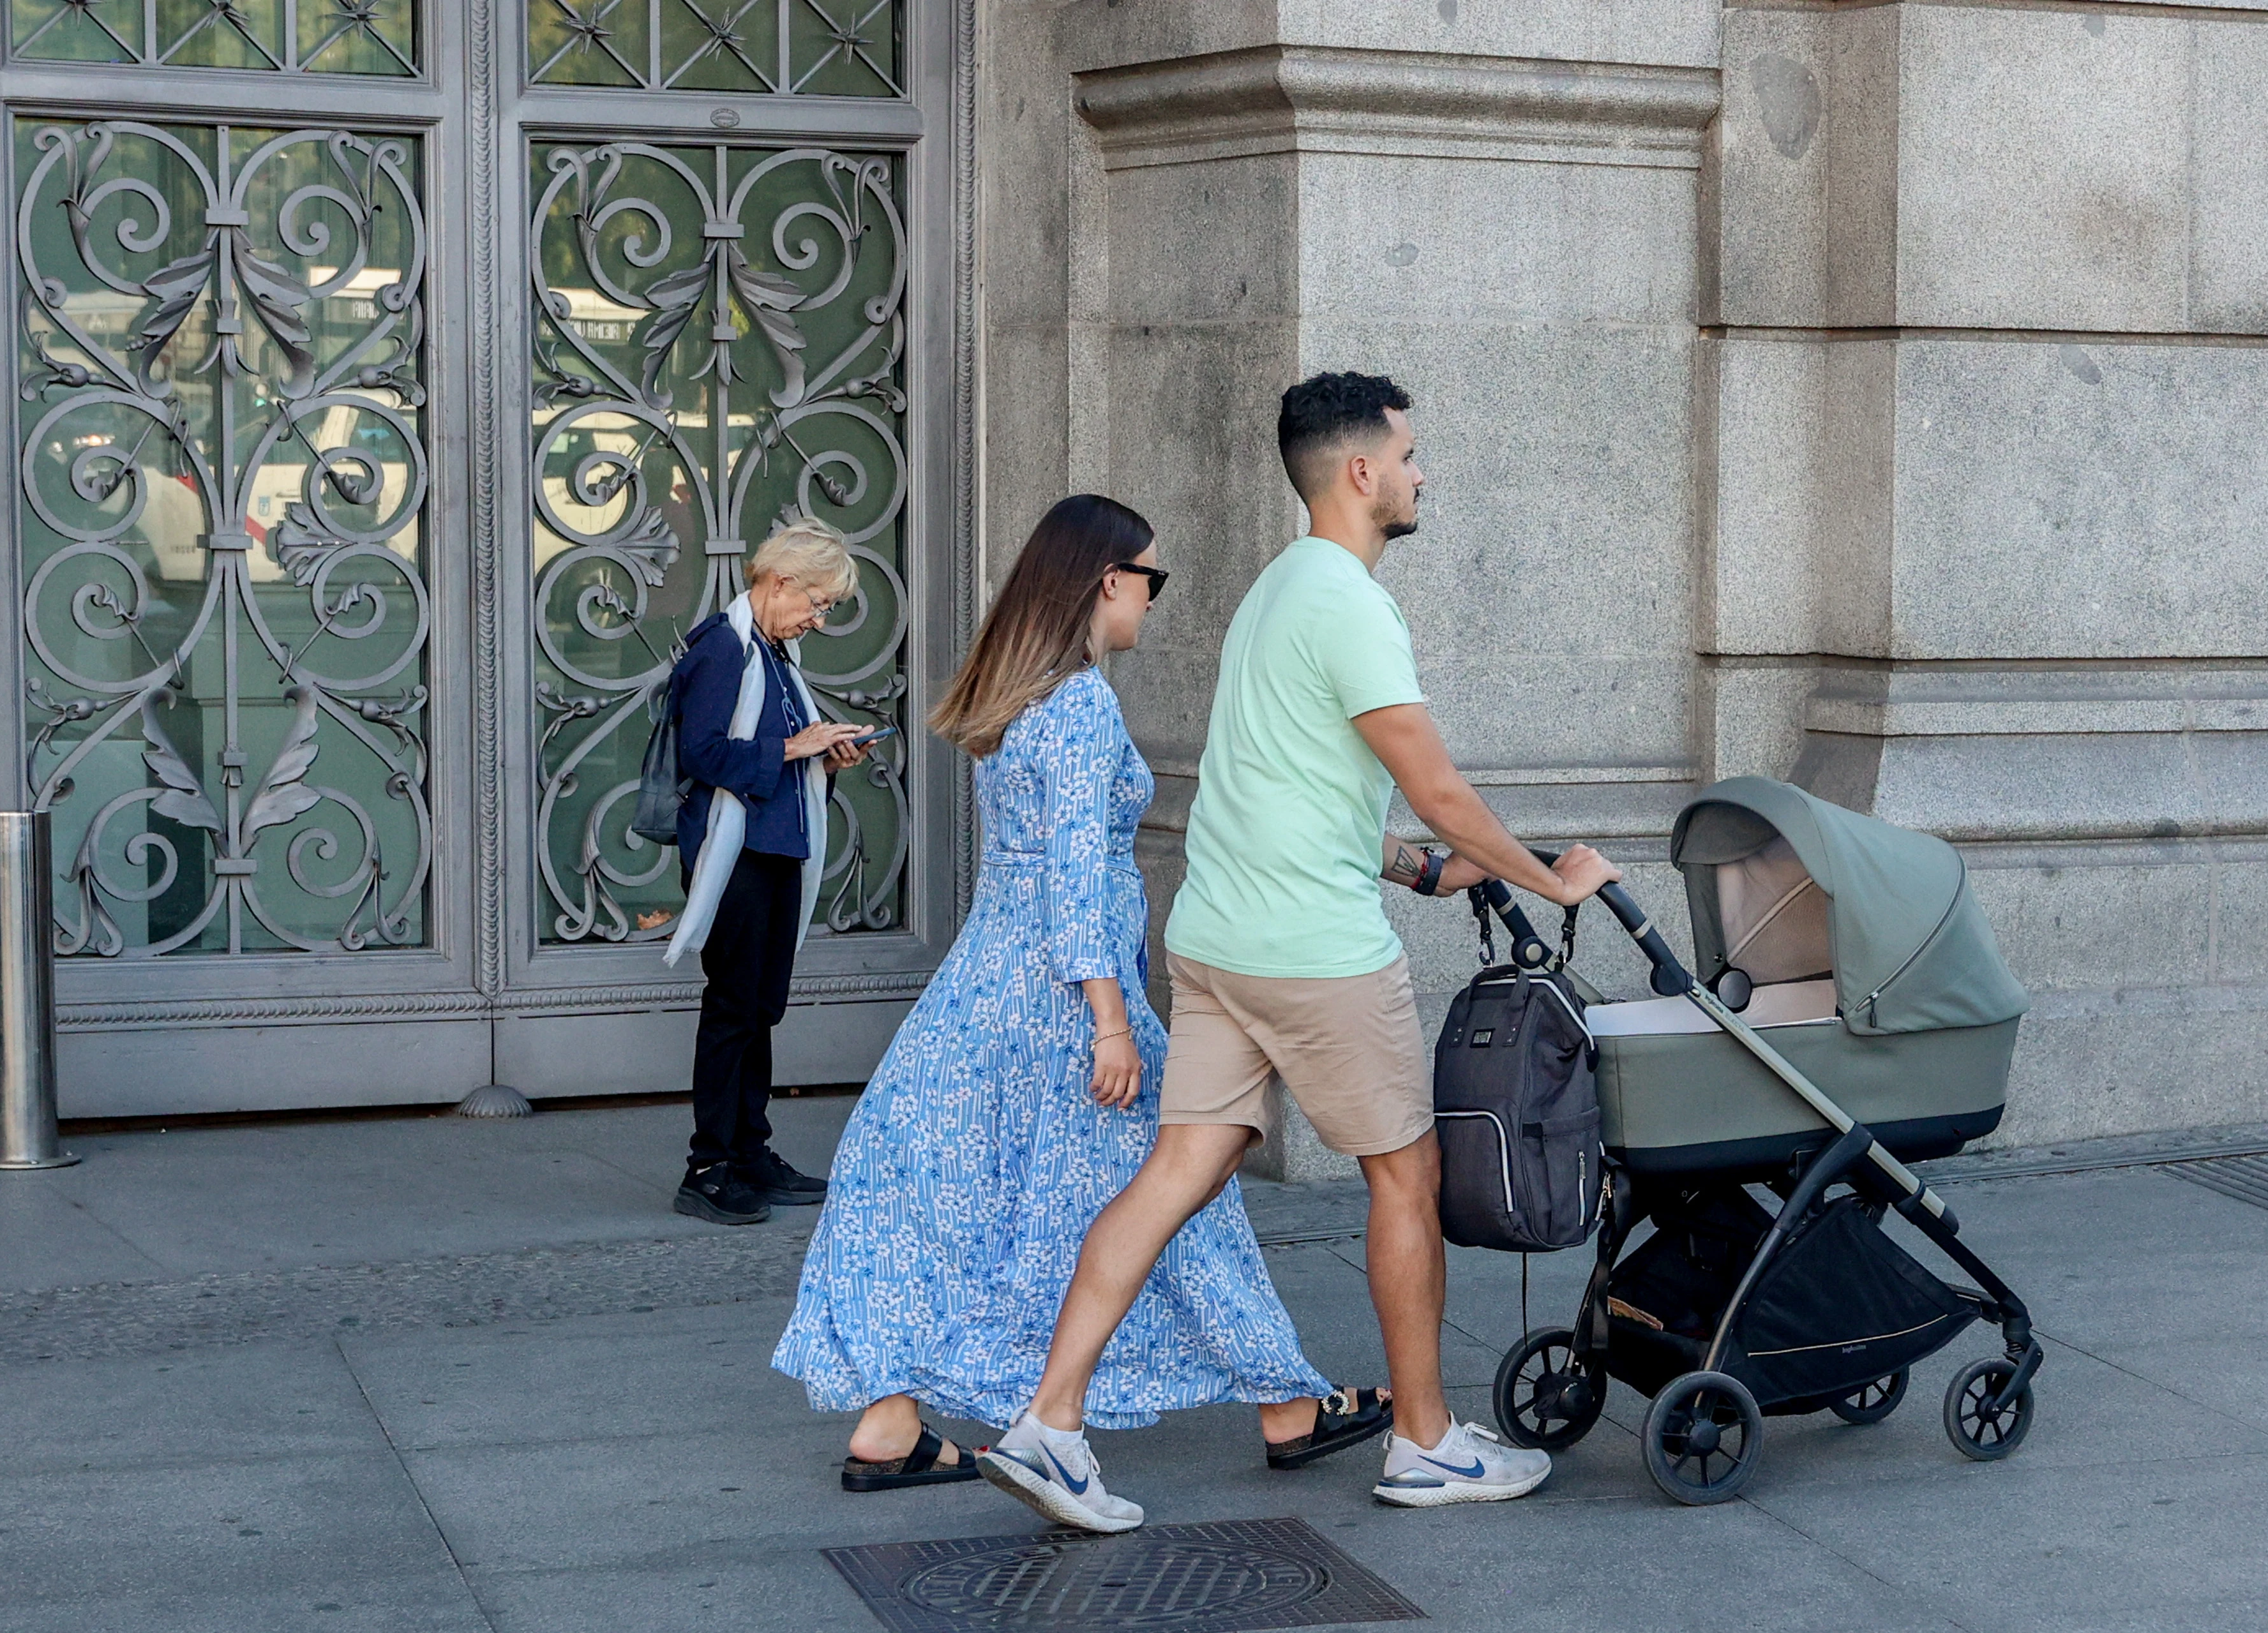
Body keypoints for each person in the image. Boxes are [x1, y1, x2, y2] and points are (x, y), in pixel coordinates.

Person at [977, 373, 1621, 1533]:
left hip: (1219, 938)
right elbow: (1436, 780)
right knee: (1405, 1176)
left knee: (1178, 1170)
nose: (1424, 473)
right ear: (1361, 472)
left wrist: (1416, 866)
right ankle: (1425, 1442)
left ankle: (1049, 1421)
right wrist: (1547, 872)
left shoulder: (1278, 591)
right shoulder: (1352, 606)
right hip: (1314, 953)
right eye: (1412, 454)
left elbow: (1283, 783)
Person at [772, 495, 1389, 1492]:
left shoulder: (1023, 698)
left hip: (985, 984)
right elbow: (1068, 871)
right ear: (1110, 580)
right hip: (1063, 995)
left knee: (922, 1186)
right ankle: (1284, 1403)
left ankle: (889, 1421)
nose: (1155, 598)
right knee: (1181, 1196)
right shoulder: (1081, 704)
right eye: (1153, 577)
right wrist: (1109, 1018)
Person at [663, 519, 874, 1225]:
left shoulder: (772, 651)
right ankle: (708, 1165)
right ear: (779, 581)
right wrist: (794, 746)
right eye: (817, 602)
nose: (818, 619)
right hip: (737, 855)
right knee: (733, 1008)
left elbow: (775, 757)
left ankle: (750, 1151)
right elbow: (703, 754)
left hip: (775, 847)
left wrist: (823, 757)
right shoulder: (724, 648)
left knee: (760, 1006)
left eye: (827, 609)